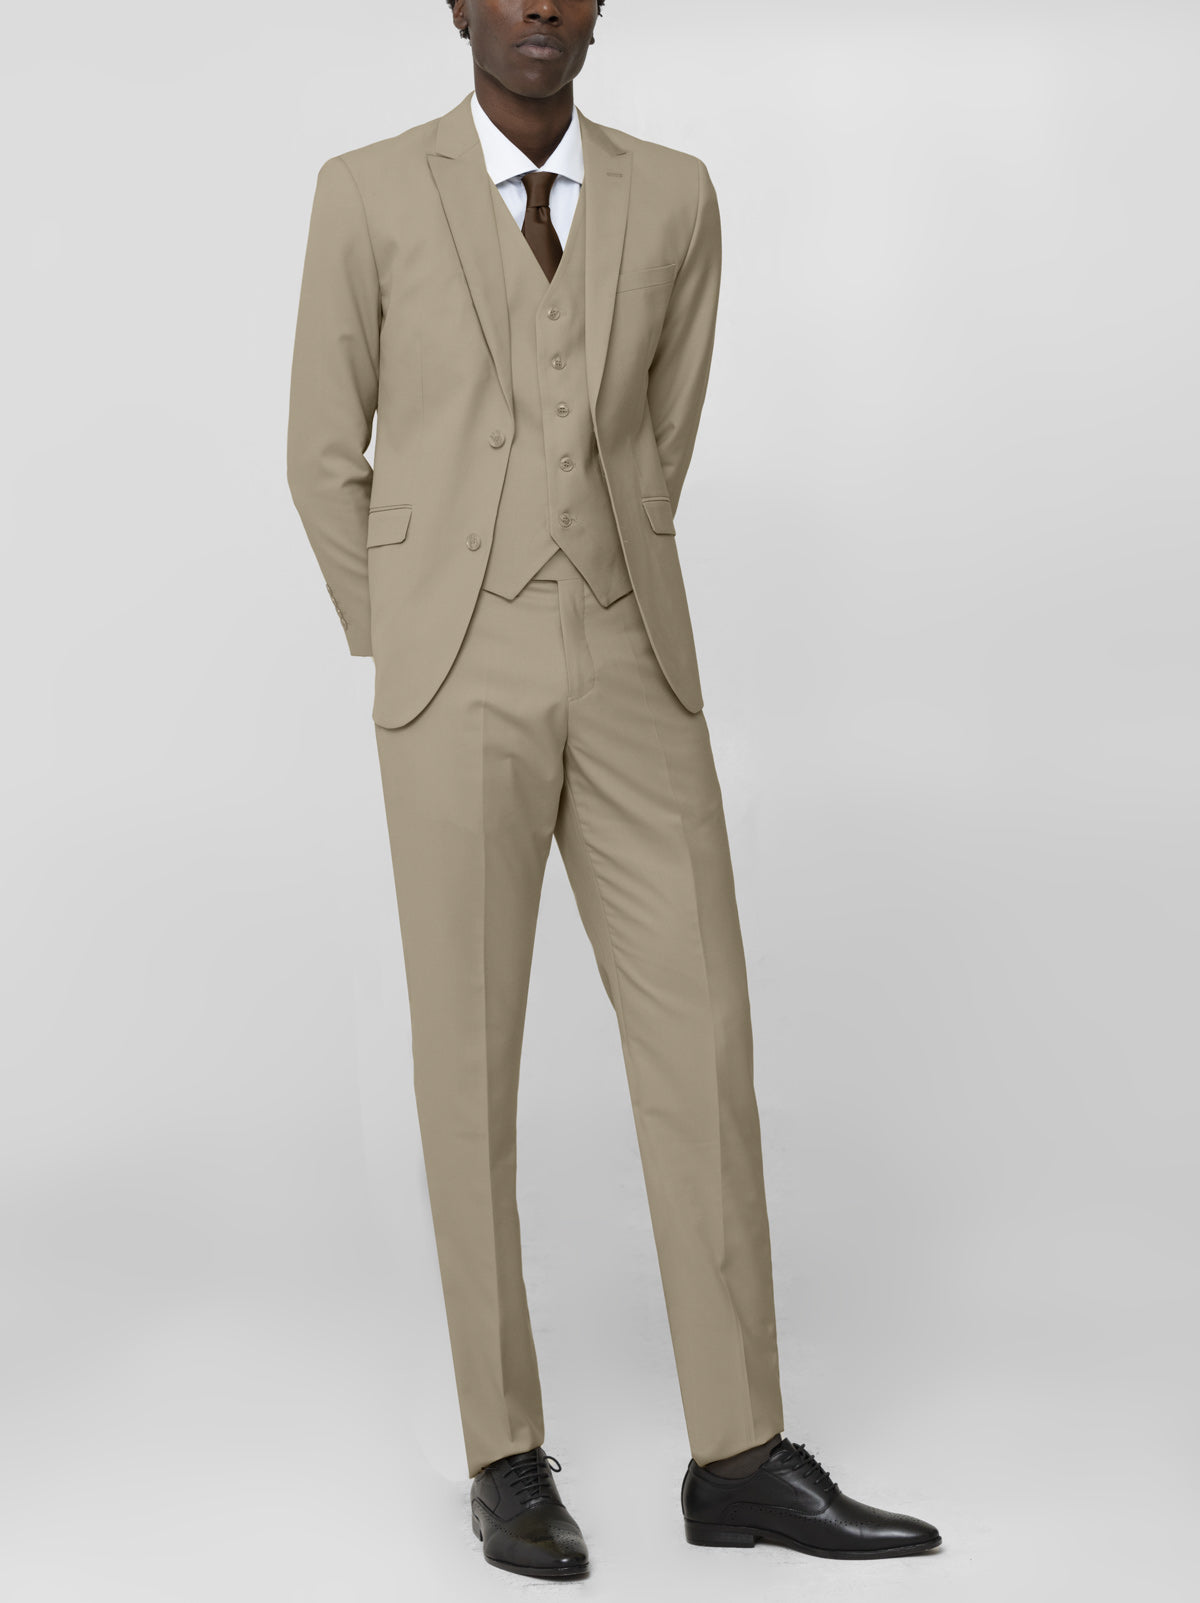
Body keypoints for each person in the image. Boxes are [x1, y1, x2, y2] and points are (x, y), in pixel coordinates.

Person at [287, 0, 941, 1581]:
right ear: (456, 6)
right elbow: (321, 453)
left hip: (636, 658)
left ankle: (740, 1456)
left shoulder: (679, 196)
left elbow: (657, 436)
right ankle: (503, 1455)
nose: (539, 8)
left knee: (703, 1040)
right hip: (454, 676)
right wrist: (413, 637)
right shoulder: (364, 192)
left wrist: (607, 573)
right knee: (469, 1064)